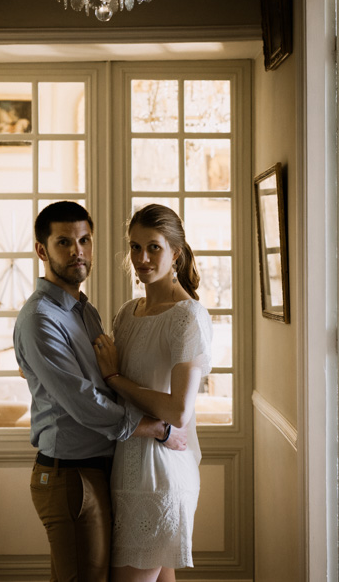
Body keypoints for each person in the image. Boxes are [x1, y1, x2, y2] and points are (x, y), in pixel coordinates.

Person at [14, 201, 188, 582]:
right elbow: (85, 404)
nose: (77, 251)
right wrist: (158, 429)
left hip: (103, 470)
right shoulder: (41, 319)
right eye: (64, 242)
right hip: (70, 477)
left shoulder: (83, 310)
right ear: (42, 251)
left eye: (84, 240)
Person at [92, 204, 213, 582]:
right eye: (134, 247)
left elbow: (178, 411)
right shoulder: (127, 314)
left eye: (154, 248)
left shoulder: (188, 316)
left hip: (159, 475)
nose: (141, 258)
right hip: (126, 467)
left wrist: (114, 378)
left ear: (175, 252)